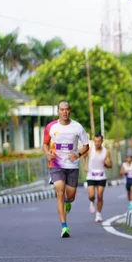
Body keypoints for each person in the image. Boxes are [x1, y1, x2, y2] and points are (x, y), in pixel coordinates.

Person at [43, 101, 90, 238]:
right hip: (56, 164)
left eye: (67, 109)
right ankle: (64, 227)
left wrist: (78, 154)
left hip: (72, 166)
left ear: (70, 111)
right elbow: (45, 144)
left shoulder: (77, 127)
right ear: (58, 111)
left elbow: (86, 146)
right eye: (62, 109)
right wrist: (47, 153)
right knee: (60, 191)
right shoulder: (51, 127)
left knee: (70, 196)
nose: (64, 112)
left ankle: (67, 202)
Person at [83, 133, 112, 223]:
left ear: (102, 141)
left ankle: (98, 214)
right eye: (95, 141)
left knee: (100, 196)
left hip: (101, 176)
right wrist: (85, 165)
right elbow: (83, 156)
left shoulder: (106, 152)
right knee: (91, 195)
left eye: (99, 141)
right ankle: (92, 202)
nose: (97, 143)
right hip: (91, 176)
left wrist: (106, 164)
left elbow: (110, 165)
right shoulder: (90, 150)